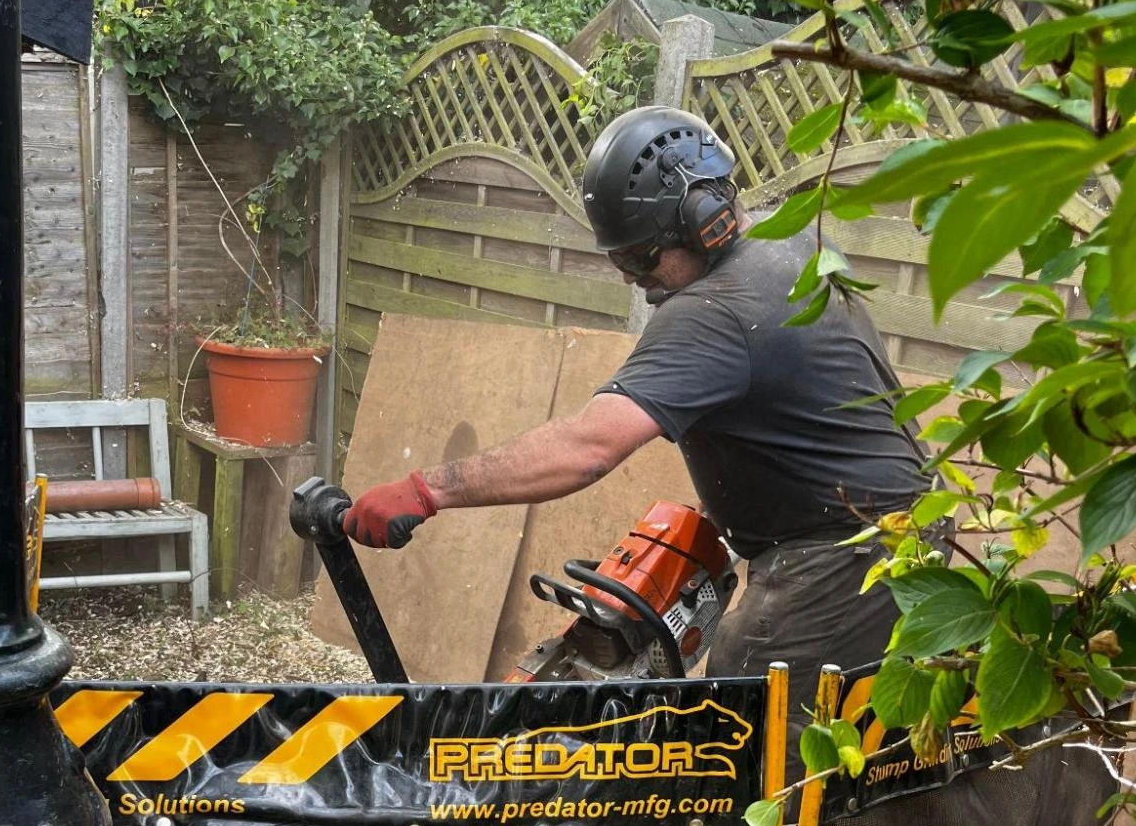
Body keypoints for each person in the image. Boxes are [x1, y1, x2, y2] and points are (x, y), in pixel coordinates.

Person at [341, 104, 928, 738]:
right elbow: (806, 399)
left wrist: (428, 490)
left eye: (642, 260)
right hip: (892, 524)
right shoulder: (795, 238)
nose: (637, 281)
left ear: (704, 225)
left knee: (746, 725)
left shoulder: (712, 312)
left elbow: (587, 446)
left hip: (845, 553)